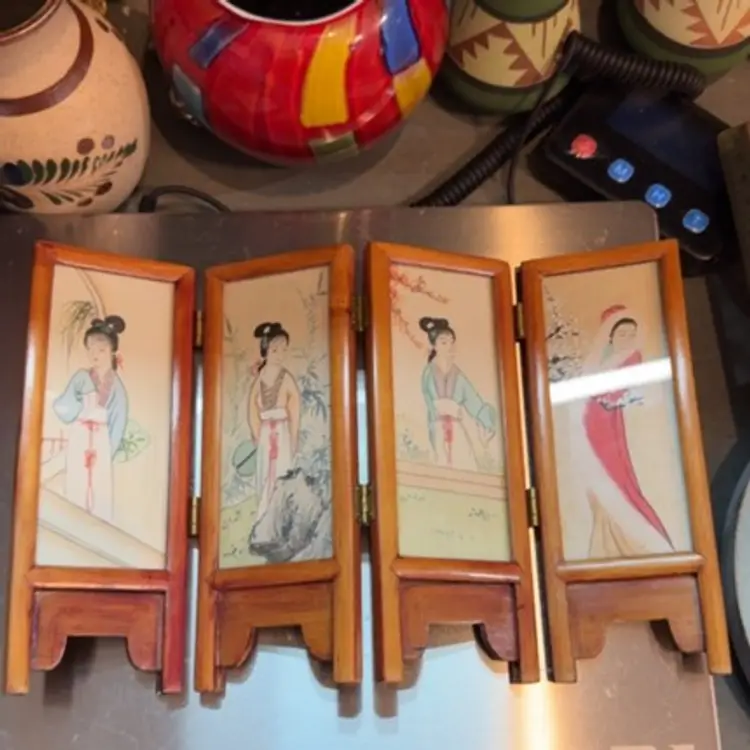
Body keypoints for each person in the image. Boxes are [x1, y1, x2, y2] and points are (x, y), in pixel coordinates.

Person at [571, 304, 673, 558]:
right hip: (590, 423)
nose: (627, 339)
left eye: (631, 334)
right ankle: (604, 544)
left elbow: (617, 392)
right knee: (595, 483)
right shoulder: (602, 359)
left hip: (608, 426)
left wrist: (607, 396)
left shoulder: (631, 358)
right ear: (610, 335)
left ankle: (640, 542)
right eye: (622, 333)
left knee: (616, 479)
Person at [52, 315, 128, 523]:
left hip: (102, 440)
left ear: (112, 351)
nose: (95, 354)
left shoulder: (117, 388)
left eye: (101, 349)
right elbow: (62, 404)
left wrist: (106, 451)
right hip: (80, 434)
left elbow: (118, 422)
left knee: (99, 485)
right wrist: (81, 408)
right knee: (77, 481)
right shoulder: (80, 377)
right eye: (91, 348)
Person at [247, 321, 301, 554]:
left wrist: (294, 436)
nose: (280, 354)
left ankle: (280, 529)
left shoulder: (286, 379)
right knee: (264, 477)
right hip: (265, 435)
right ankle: (262, 526)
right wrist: (256, 432)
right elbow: (252, 408)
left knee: (281, 475)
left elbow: (294, 408)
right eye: (275, 349)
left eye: (283, 349)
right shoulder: (259, 379)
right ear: (266, 350)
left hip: (282, 433)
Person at [419, 316, 496, 471]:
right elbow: (427, 399)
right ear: (434, 345)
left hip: (456, 424)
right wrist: (438, 410)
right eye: (443, 342)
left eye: (451, 342)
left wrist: (486, 421)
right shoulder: (429, 372)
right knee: (439, 460)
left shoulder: (458, 375)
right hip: (437, 424)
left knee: (464, 461)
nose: (449, 346)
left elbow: (473, 400)